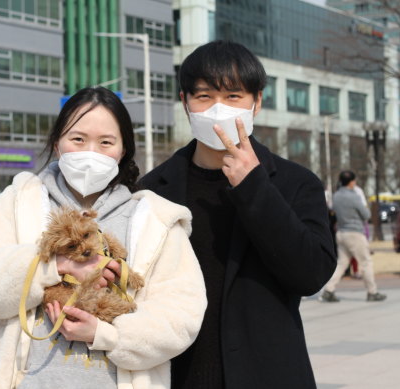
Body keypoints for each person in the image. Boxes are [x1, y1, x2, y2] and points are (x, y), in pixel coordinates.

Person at [0, 87, 207, 389]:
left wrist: (104, 334)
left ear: (123, 150)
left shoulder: (155, 218)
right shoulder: (18, 202)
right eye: (78, 139)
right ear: (57, 144)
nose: (91, 152)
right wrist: (54, 267)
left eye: (106, 142)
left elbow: (181, 316)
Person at [139, 40, 336, 388]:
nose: (219, 109)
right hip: (177, 374)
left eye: (233, 96)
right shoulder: (151, 190)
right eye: (204, 97)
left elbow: (311, 274)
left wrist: (254, 187)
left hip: (268, 373)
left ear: (256, 102)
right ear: (185, 102)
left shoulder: (295, 183)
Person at [322, 170, 386, 302]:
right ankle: (372, 292)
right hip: (355, 232)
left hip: (341, 232)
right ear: (351, 182)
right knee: (366, 262)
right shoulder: (354, 196)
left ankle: (328, 290)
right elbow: (366, 215)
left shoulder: (336, 196)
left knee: (341, 263)